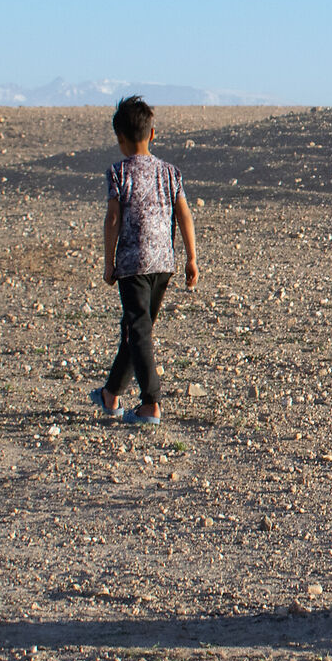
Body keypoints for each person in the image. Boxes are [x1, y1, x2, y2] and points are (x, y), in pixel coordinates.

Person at [93, 96, 199, 425]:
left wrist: (108, 261)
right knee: (137, 328)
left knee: (138, 331)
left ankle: (151, 403)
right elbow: (184, 214)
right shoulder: (170, 172)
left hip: (133, 264)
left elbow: (113, 219)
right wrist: (191, 258)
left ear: (120, 138)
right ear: (152, 134)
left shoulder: (118, 173)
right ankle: (111, 394)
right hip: (163, 263)